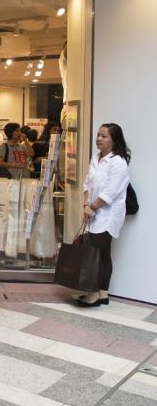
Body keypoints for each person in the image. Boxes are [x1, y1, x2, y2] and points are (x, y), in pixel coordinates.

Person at [77, 123, 130, 307]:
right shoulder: (96, 157)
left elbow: (109, 193)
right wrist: (86, 205)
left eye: (104, 136)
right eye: (98, 135)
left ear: (114, 140)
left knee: (94, 254)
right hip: (93, 211)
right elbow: (87, 184)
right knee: (104, 254)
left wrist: (91, 207)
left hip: (108, 215)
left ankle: (93, 295)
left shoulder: (118, 162)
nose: (99, 138)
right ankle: (103, 293)